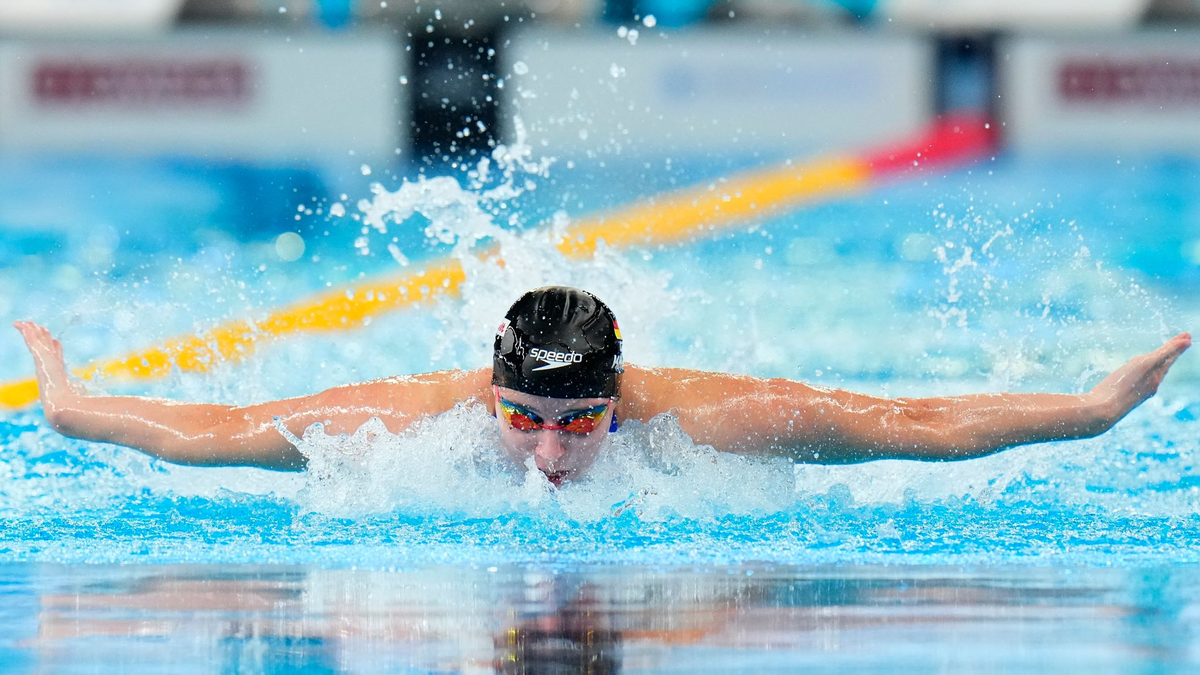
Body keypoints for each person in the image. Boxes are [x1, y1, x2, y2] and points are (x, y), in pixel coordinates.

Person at [12, 286, 1192, 487]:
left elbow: (912, 426)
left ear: (621, 398)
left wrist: (1092, 410)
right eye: (526, 418)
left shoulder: (717, 419)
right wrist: (70, 404)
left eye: (582, 423)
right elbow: (211, 431)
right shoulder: (410, 426)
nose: (553, 455)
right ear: (491, 392)